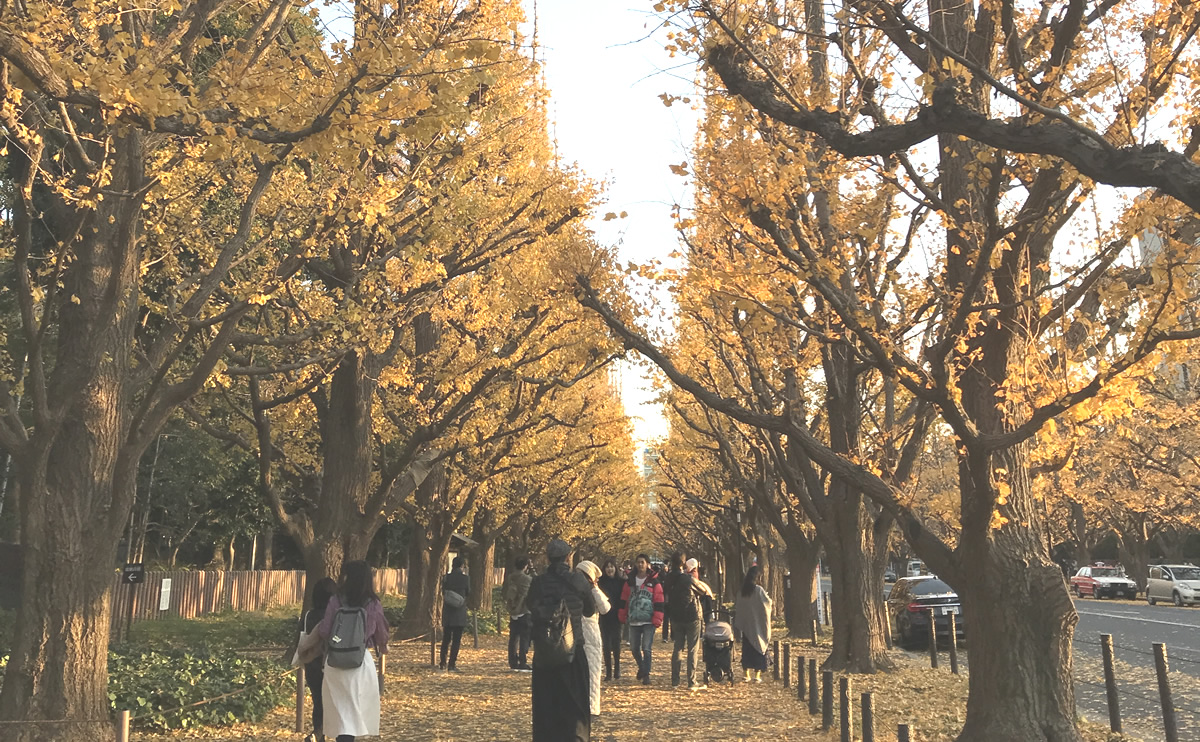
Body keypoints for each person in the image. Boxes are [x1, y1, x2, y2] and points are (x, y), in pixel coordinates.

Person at [529, 538, 596, 742]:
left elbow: (530, 606)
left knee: (546, 706)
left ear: (548, 558)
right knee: (575, 706)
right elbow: (590, 610)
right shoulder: (578, 580)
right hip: (573, 650)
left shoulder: (538, 582)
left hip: (546, 653)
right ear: (569, 557)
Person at [318, 561, 389, 741]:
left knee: (341, 713)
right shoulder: (373, 603)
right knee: (354, 712)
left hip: (335, 661)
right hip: (359, 661)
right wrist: (382, 645)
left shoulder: (336, 600)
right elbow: (381, 633)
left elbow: (325, 631)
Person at [298, 577, 338, 742]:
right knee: (335, 704)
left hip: (312, 665)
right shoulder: (335, 615)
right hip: (331, 663)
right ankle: (318, 733)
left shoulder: (308, 615)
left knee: (318, 702)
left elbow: (301, 638)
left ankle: (318, 735)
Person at [618, 553, 664, 685]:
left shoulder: (654, 582)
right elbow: (624, 599)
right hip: (634, 619)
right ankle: (642, 668)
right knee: (634, 648)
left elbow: (659, 600)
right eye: (638, 562)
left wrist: (658, 618)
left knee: (646, 648)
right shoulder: (630, 581)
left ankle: (646, 674)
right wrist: (622, 614)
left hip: (649, 620)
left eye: (643, 562)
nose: (640, 564)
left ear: (647, 564)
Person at [670, 557, 714, 691]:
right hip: (692, 616)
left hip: (676, 616)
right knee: (692, 649)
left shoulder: (670, 578)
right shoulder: (689, 579)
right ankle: (691, 681)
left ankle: (675, 681)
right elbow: (703, 591)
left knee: (678, 647)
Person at [575, 560, 612, 715]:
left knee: (593, 670)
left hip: (590, 633)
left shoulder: (593, 591)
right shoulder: (571, 588)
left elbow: (605, 608)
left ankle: (592, 707)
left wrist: (594, 588)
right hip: (574, 633)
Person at [733, 565, 771, 682]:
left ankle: (746, 674)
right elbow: (767, 604)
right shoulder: (759, 590)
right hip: (758, 624)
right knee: (759, 648)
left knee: (747, 649)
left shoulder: (742, 591)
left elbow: (739, 607)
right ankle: (757, 675)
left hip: (746, 625)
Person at [502, 555, 533, 671]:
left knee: (513, 637)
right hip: (524, 611)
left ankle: (513, 661)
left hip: (513, 610)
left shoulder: (510, 577)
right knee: (524, 637)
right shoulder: (527, 579)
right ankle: (523, 661)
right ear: (525, 566)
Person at [440, 556, 470, 672]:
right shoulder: (466, 578)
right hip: (459, 611)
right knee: (456, 640)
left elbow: (443, 591)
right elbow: (468, 592)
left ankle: (442, 663)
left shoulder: (446, 577)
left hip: (448, 611)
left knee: (446, 639)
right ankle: (452, 664)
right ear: (462, 566)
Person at [597, 559, 625, 681]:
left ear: (615, 568)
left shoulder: (621, 582)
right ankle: (608, 671)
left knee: (616, 643)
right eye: (607, 567)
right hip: (604, 616)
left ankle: (617, 669)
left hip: (617, 616)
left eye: (612, 566)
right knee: (606, 644)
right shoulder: (600, 583)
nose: (610, 569)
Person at [660, 552, 684, 643]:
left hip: (667, 600)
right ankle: (673, 636)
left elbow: (665, 588)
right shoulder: (682, 576)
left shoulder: (668, 576)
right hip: (675, 601)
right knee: (673, 620)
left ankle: (665, 637)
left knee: (667, 620)